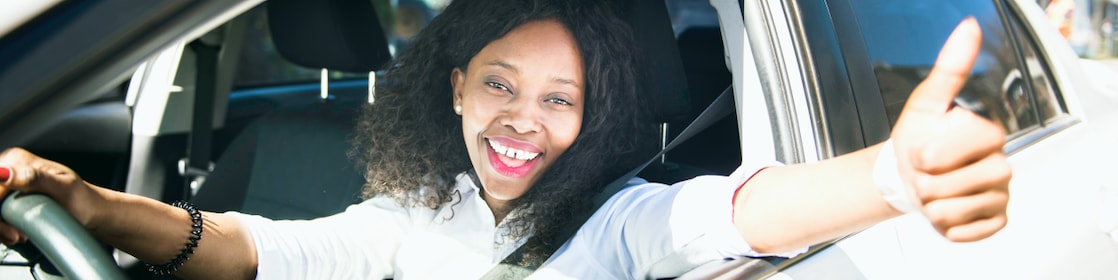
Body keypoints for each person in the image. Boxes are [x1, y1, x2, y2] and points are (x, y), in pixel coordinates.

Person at [0, 0, 1009, 279]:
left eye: (560, 99)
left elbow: (731, 215)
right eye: (499, 84)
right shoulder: (414, 217)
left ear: (592, 115)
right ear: (453, 88)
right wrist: (92, 208)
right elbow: (260, 247)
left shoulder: (616, 223)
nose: (525, 120)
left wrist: (887, 175)